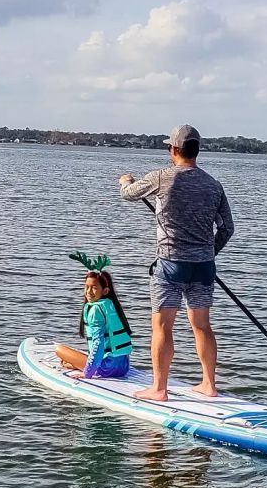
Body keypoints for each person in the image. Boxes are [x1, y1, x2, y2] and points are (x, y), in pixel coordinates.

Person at [118, 124, 234, 401]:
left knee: (162, 325)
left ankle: (159, 389)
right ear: (197, 151)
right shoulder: (213, 185)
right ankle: (209, 385)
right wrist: (209, 252)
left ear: (173, 150)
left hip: (170, 265)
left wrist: (125, 181)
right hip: (204, 267)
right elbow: (227, 228)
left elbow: (129, 194)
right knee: (202, 326)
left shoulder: (162, 177)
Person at [55, 267, 133, 380]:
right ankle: (72, 364)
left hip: (106, 368)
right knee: (70, 359)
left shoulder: (95, 310)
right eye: (86, 287)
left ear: (105, 291)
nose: (88, 292)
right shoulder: (111, 305)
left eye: (94, 288)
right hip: (123, 367)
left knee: (59, 350)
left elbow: (98, 344)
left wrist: (87, 373)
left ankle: (77, 365)